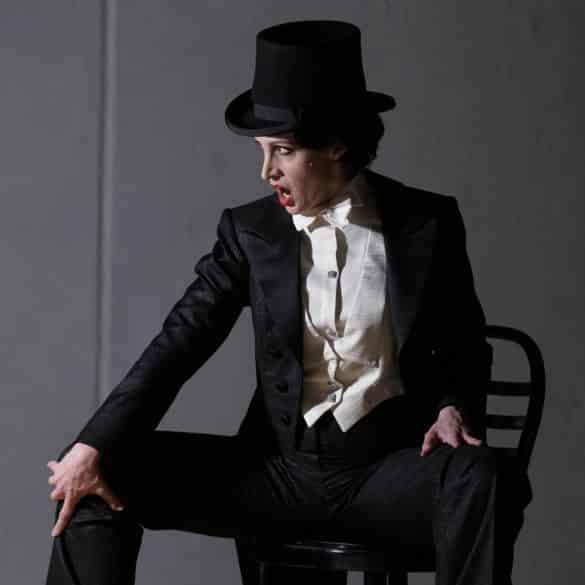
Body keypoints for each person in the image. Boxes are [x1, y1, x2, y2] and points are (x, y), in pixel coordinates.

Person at [45, 20, 529, 585]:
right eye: (262, 151)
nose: (266, 171)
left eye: (283, 150)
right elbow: (180, 341)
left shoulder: (427, 223)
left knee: (485, 474)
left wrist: (452, 406)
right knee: (97, 474)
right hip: (276, 475)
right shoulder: (250, 233)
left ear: (337, 145)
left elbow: (464, 340)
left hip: (384, 476)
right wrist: (93, 442)